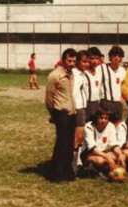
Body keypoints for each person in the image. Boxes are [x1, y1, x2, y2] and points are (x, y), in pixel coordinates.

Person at [45, 48, 77, 182]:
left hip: (71, 113)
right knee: (61, 144)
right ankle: (56, 174)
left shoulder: (72, 74)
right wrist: (54, 114)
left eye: (74, 61)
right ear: (64, 60)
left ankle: (67, 171)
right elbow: (49, 98)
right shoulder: (54, 75)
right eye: (69, 61)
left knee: (69, 144)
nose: (72, 63)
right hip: (61, 113)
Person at [81, 108, 126, 174]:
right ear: (96, 117)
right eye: (101, 118)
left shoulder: (110, 126)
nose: (104, 120)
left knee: (122, 156)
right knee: (100, 160)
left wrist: (120, 154)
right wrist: (107, 157)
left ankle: (106, 169)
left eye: (106, 118)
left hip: (104, 152)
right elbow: (93, 149)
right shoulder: (89, 127)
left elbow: (114, 145)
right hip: (89, 153)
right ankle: (90, 168)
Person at [96, 46, 126, 125]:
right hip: (106, 101)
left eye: (119, 56)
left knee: (117, 125)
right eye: (114, 55)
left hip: (117, 103)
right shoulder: (101, 68)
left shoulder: (122, 71)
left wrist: (123, 97)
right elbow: (96, 84)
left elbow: (124, 86)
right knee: (104, 124)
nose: (116, 58)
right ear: (110, 57)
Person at [71, 50, 90, 173]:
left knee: (79, 138)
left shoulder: (83, 74)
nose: (87, 64)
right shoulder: (74, 74)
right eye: (84, 61)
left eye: (88, 61)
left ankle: (75, 163)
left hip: (82, 107)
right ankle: (72, 165)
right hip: (75, 108)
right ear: (77, 61)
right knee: (76, 138)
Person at [84, 47, 102, 121]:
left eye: (97, 58)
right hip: (85, 104)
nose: (95, 61)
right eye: (92, 58)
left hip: (96, 103)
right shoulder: (83, 72)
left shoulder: (99, 71)